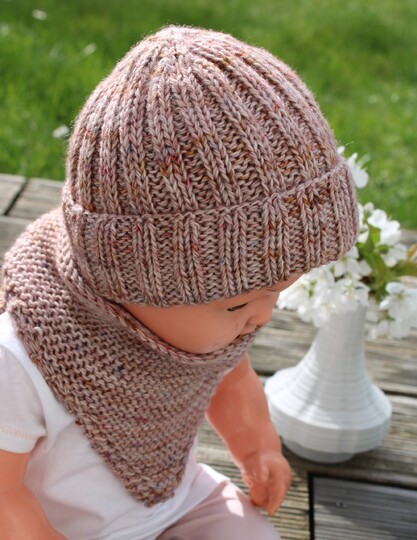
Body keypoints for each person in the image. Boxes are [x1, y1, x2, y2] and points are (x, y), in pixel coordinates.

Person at [0, 25, 358, 540]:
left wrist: (258, 448)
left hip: (180, 499)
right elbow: (5, 492)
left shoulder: (211, 333)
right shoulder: (25, 355)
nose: (262, 316)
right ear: (132, 276)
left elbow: (231, 380)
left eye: (277, 292)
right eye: (237, 305)